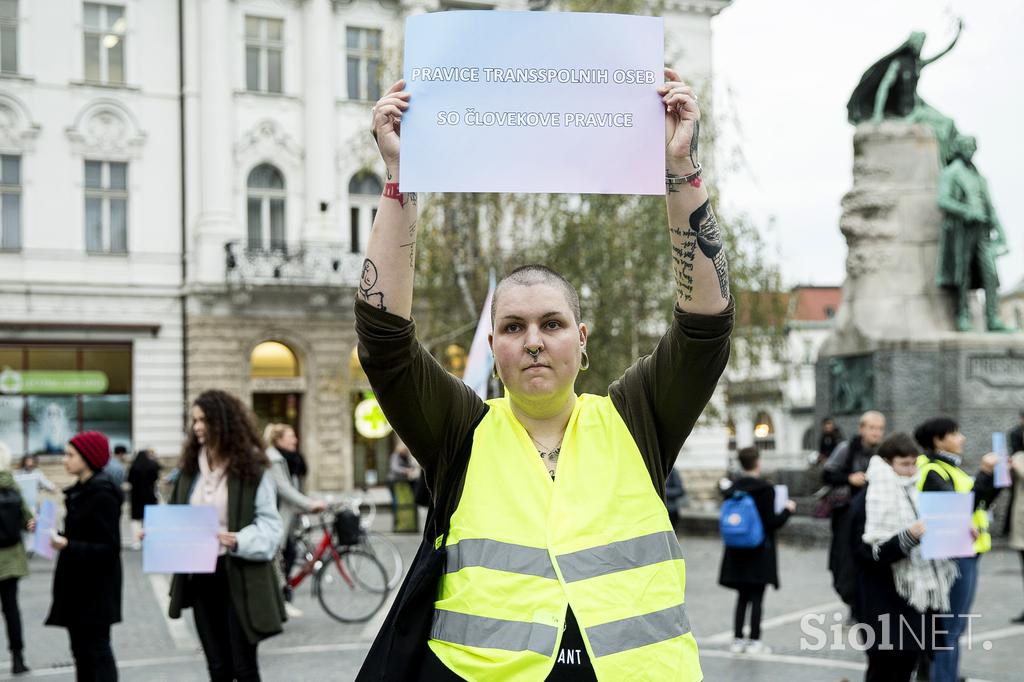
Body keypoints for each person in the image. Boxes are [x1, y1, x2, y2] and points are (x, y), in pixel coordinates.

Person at [356, 71, 733, 681]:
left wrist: (680, 171)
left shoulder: (634, 419)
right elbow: (384, 344)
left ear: (581, 341)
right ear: (493, 345)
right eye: (513, 327)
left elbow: (705, 329)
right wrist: (402, 179)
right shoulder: (462, 431)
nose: (533, 341)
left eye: (552, 323)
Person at [167, 390, 284, 682]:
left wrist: (238, 540)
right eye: (194, 420)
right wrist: (158, 532)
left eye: (204, 420)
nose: (197, 427)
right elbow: (178, 515)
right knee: (217, 667)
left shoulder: (252, 468)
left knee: (243, 668)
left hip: (239, 576)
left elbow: (271, 526)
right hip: (200, 576)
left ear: (225, 422)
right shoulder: (189, 469)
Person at [850, 433, 958, 682]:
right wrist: (907, 538)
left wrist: (959, 536)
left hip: (912, 602)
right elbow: (866, 554)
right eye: (904, 465)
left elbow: (932, 538)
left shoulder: (914, 494)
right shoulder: (869, 499)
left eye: (913, 464)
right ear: (887, 463)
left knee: (906, 666)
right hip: (883, 599)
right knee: (884, 670)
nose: (910, 471)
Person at [913, 417, 998, 682]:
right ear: (939, 440)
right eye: (955, 433)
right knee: (949, 629)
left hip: (965, 552)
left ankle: (947, 676)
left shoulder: (950, 469)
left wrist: (993, 479)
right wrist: (984, 473)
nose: (962, 438)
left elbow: (978, 502)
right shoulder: (933, 471)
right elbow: (960, 508)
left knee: (954, 628)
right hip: (954, 555)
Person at [44, 431, 123, 681]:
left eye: (70, 455)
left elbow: (109, 548)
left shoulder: (102, 494)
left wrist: (67, 544)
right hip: (76, 586)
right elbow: (78, 536)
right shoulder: (80, 491)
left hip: (95, 588)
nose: (64, 460)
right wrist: (52, 534)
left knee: (97, 652)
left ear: (87, 458)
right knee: (80, 652)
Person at [718, 447, 795, 655]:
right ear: (758, 462)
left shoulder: (731, 489)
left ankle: (737, 640)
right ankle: (754, 641)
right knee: (757, 597)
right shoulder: (765, 489)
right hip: (759, 550)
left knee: (742, 597)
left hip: (736, 550)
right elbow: (771, 522)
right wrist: (788, 510)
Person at [823, 410, 885, 610]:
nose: (876, 433)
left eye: (880, 429)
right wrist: (850, 478)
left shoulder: (884, 453)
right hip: (847, 514)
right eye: (872, 428)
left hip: (874, 514)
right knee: (845, 559)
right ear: (862, 429)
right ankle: (852, 600)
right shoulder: (846, 449)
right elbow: (827, 475)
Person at [263, 423, 326, 618]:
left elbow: (294, 489)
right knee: (279, 561)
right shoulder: (274, 459)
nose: (295, 440)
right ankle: (280, 602)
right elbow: (284, 490)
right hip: (277, 519)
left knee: (287, 558)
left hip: (289, 520)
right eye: (291, 436)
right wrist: (309, 504)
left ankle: (281, 601)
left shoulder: (289, 460)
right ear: (278, 439)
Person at [0, 443, 35, 675]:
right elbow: (28, 519)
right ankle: (18, 658)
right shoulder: (12, 484)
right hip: (11, 558)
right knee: (11, 610)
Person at [126, 448, 161, 551]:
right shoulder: (152, 465)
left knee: (136, 520)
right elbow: (155, 477)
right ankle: (149, 540)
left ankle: (136, 542)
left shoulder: (134, 466)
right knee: (149, 519)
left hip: (136, 496)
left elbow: (129, 480)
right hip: (149, 495)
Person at [388, 441, 419, 532]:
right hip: (395, 481)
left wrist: (412, 468)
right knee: (396, 502)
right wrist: (405, 471)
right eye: (404, 451)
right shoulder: (395, 456)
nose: (405, 452)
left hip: (404, 482)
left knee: (405, 502)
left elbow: (411, 465)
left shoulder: (406, 456)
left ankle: (406, 524)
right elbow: (394, 468)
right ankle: (397, 523)